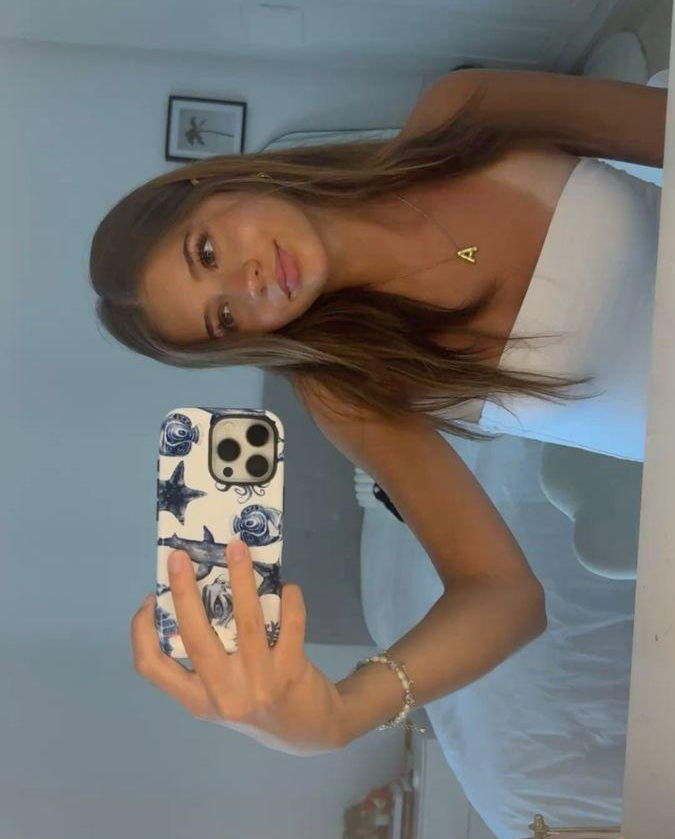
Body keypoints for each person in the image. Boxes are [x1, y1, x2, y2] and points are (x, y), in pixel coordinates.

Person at [90, 66, 667, 756]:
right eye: (225, 319)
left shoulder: (466, 112)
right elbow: (502, 595)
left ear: (219, 184)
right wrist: (341, 714)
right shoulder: (351, 391)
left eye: (206, 251)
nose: (247, 286)